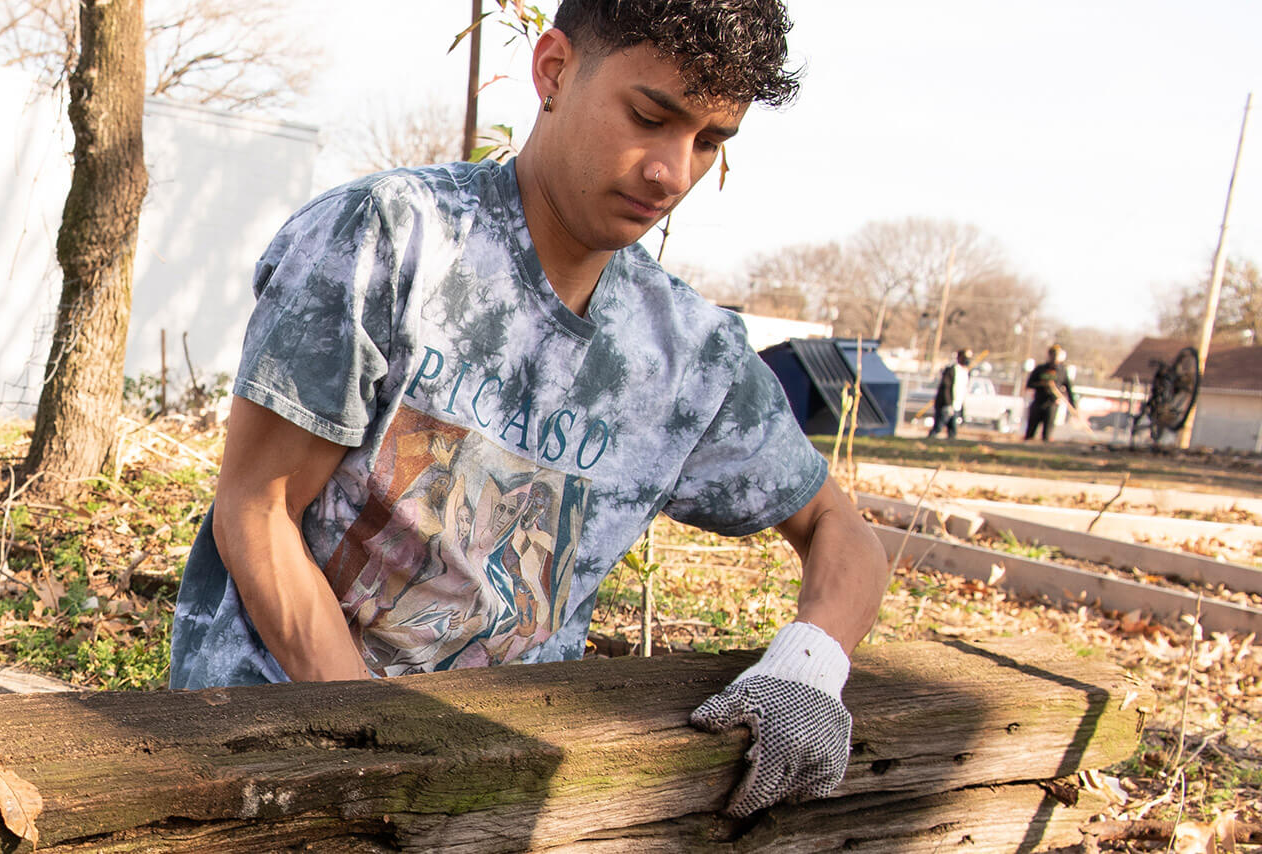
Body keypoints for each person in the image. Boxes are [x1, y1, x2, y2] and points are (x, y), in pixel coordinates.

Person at [165, 0, 886, 821]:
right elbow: (257, 510)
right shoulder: (394, 238)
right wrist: (388, 754)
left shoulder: (687, 357)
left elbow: (841, 529)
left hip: (496, 797)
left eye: (710, 141)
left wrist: (809, 668)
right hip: (268, 767)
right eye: (651, 117)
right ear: (553, 71)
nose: (674, 172)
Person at [1023, 345, 1079, 442]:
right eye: (1052, 354)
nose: (1054, 357)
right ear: (1049, 355)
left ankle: (1044, 449)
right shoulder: (1040, 369)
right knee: (1030, 431)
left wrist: (1074, 406)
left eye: (1056, 355)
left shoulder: (1062, 371)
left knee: (1047, 434)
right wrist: (1042, 384)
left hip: (1052, 404)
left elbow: (1069, 389)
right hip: (1038, 402)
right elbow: (1029, 384)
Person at [928, 349, 971, 440]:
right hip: (946, 405)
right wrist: (948, 404)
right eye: (965, 358)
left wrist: (962, 407)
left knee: (953, 432)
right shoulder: (952, 370)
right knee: (938, 428)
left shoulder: (966, 372)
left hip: (956, 406)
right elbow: (945, 388)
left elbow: (962, 391)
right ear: (959, 358)